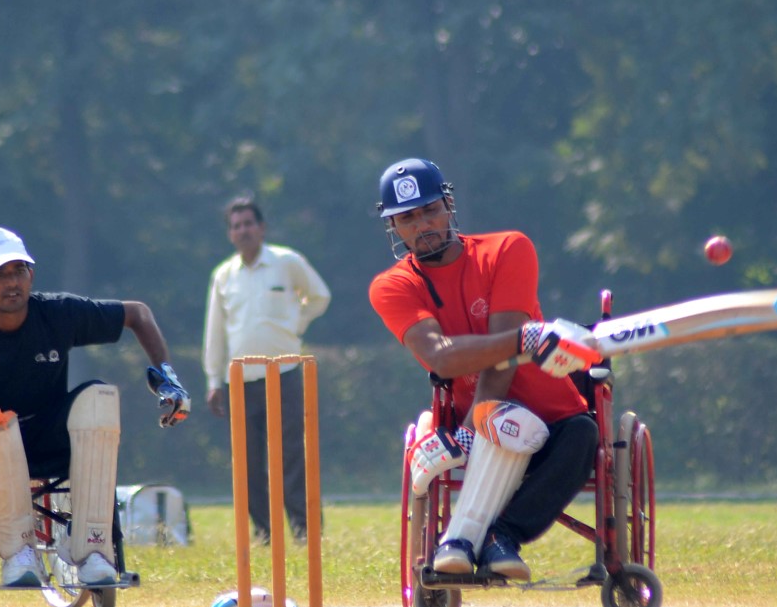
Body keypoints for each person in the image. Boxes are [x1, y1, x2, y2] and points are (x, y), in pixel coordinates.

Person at [0, 227, 191, 588]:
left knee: (100, 396)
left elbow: (137, 314)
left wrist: (168, 378)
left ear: (31, 275)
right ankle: (19, 552)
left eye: (19, 271)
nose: (12, 282)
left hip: (48, 436)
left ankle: (92, 549)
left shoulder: (58, 313)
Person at [368, 157, 600, 580]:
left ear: (449, 205)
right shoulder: (392, 286)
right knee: (502, 421)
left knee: (581, 432)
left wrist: (478, 422)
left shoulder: (509, 248)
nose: (422, 225)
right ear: (394, 228)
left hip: (554, 422)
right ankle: (487, 544)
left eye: (430, 210)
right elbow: (439, 356)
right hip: (476, 427)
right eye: (407, 218)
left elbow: (502, 362)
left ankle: (485, 539)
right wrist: (523, 341)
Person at [203, 197, 331, 543]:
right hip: (240, 379)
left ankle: (306, 531)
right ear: (230, 234)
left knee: (292, 454)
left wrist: (295, 324)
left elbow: (319, 296)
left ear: (261, 228)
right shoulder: (223, 275)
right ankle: (263, 534)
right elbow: (215, 331)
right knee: (247, 463)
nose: (243, 231)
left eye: (248, 223)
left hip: (285, 372)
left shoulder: (286, 262)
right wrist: (214, 380)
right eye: (236, 226)